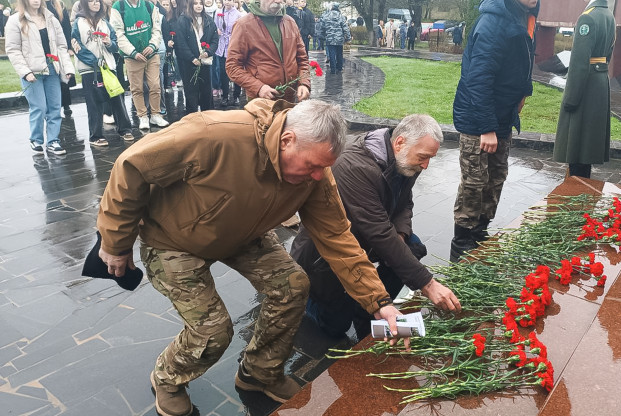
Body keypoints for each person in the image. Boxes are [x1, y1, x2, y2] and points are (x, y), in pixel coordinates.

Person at [96, 98, 407, 416]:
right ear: (288, 140)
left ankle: (259, 374)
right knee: (213, 331)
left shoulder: (316, 176)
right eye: (312, 165)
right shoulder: (213, 135)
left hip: (243, 233)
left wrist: (379, 302)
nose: (318, 176)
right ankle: (167, 379)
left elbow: (338, 237)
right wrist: (116, 242)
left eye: (323, 168)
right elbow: (131, 165)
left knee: (294, 284)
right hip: (173, 239)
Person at [291, 114, 462, 338]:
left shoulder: (405, 161)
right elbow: (379, 232)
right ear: (399, 142)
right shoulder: (355, 167)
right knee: (335, 326)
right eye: (423, 157)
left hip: (369, 237)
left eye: (430, 158)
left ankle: (368, 310)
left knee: (411, 246)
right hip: (325, 255)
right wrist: (428, 284)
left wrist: (400, 234)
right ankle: (305, 303)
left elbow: (404, 204)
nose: (426, 165)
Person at [450, 0, 539, 262]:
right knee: (475, 182)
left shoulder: (525, 16)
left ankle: (480, 233)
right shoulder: (493, 21)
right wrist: (486, 127)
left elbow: (524, 64)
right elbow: (478, 77)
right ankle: (462, 244)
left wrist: (525, 92)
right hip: (478, 119)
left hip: (501, 117)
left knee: (496, 177)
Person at [552, 0, 615, 179]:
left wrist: (570, 98)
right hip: (600, 82)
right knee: (587, 147)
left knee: (577, 148)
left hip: (585, 85)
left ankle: (575, 191)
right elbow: (608, 54)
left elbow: (579, 63)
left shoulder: (587, 18)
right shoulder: (609, 16)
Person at [6, 0, 76, 156]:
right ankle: (36, 139)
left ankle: (53, 141)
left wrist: (67, 68)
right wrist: (25, 72)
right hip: (32, 72)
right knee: (39, 107)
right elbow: (13, 50)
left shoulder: (51, 18)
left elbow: (61, 46)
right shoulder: (15, 20)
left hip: (52, 69)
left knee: (55, 107)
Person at [72, 0, 135, 146]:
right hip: (89, 70)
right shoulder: (78, 23)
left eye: (98, 1)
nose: (96, 4)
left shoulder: (105, 22)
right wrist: (94, 61)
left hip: (108, 67)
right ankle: (96, 136)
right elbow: (77, 46)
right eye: (92, 1)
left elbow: (115, 44)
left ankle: (125, 129)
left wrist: (109, 43)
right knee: (94, 102)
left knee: (116, 97)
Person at [225, 0, 310, 103]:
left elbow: (302, 60)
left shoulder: (290, 22)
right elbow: (232, 66)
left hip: (289, 98)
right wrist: (258, 87)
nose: (278, 1)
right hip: (260, 100)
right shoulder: (244, 25)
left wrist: (304, 83)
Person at [110, 0, 170, 130]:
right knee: (137, 88)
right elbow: (118, 34)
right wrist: (133, 52)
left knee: (155, 85)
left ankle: (155, 114)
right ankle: (142, 116)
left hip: (151, 53)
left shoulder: (149, 6)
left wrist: (153, 45)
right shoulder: (118, 7)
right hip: (132, 56)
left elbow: (156, 29)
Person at [174, 0, 218, 113]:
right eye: (195, 3)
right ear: (191, 5)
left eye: (200, 3)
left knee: (206, 91)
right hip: (189, 63)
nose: (198, 6)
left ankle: (207, 116)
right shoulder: (183, 20)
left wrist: (208, 52)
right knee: (191, 92)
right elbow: (181, 42)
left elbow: (214, 39)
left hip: (205, 61)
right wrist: (192, 58)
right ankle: (192, 118)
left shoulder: (208, 20)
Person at [213, 0, 241, 106]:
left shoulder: (238, 14)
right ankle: (225, 96)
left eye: (230, 0)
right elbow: (214, 26)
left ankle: (236, 96)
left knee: (236, 72)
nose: (227, 2)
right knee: (223, 72)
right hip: (222, 47)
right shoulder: (218, 12)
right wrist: (217, 30)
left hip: (234, 46)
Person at [319, 2, 350, 74]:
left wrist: (322, 36)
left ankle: (333, 69)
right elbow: (345, 28)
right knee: (339, 54)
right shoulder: (341, 17)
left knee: (331, 54)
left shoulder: (326, 16)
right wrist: (348, 37)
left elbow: (322, 27)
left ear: (332, 7)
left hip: (330, 39)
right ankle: (339, 68)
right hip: (339, 39)